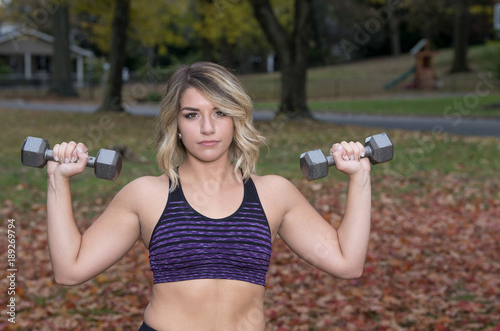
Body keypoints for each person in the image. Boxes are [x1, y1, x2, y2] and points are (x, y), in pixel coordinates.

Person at [46, 61, 371, 331]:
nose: (206, 128)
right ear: (175, 123)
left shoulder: (274, 193)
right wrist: (57, 180)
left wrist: (360, 176)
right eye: (191, 114)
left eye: (219, 113)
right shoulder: (146, 195)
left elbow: (347, 263)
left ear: (237, 117)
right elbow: (70, 269)